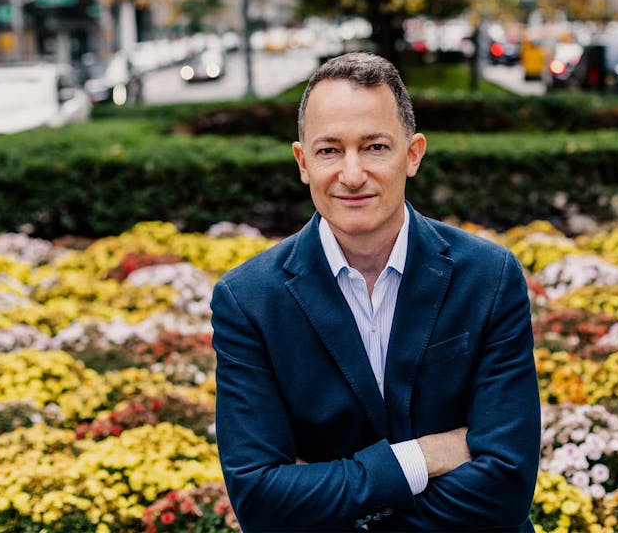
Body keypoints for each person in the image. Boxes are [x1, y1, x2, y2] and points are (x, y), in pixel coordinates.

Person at [211, 52, 540, 531]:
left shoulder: (489, 277)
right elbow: (261, 501)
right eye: (329, 151)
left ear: (413, 154)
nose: (351, 174)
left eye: (375, 147)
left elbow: (506, 486)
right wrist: (422, 458)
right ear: (303, 162)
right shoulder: (248, 301)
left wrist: (327, 504)